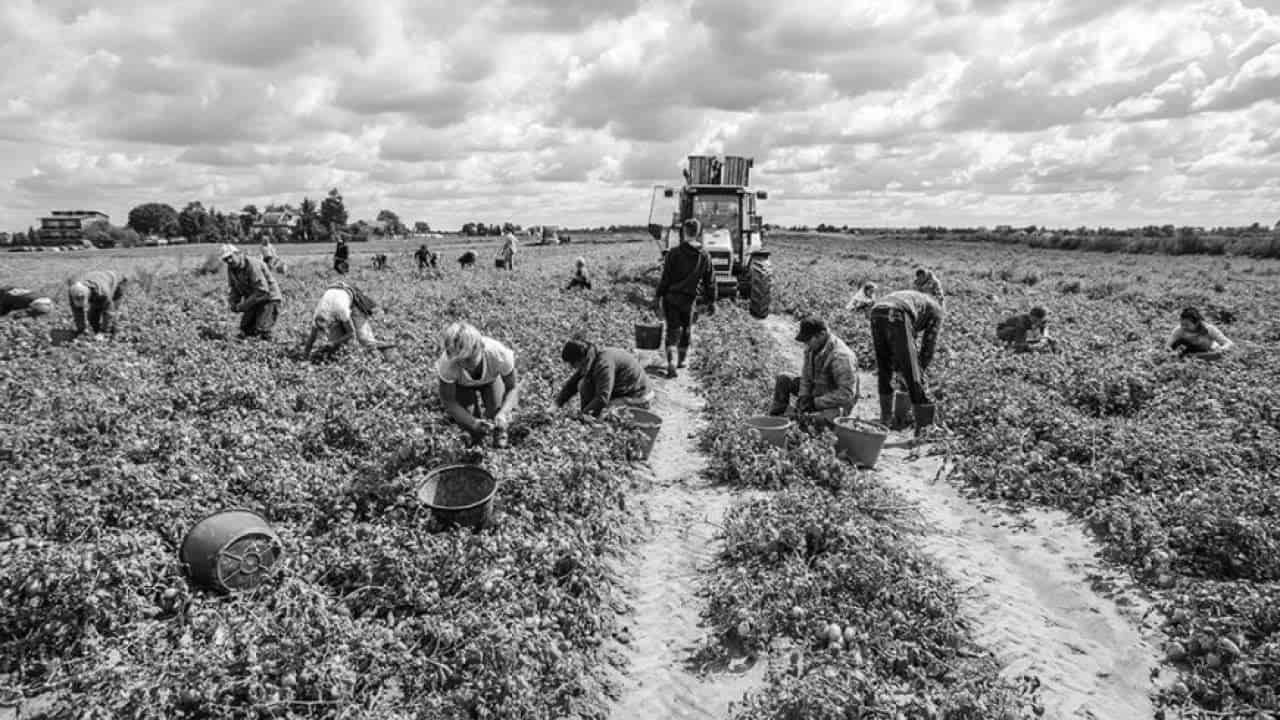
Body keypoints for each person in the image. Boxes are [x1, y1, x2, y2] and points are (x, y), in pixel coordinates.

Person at [868, 289, 945, 432]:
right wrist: (919, 372)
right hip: (897, 311)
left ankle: (885, 419)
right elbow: (928, 347)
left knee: (884, 365)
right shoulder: (937, 311)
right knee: (912, 370)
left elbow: (903, 342)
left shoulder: (919, 301)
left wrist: (901, 368)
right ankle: (925, 428)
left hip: (877, 311)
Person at [436, 322, 520, 448]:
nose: (465, 365)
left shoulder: (498, 354)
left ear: (481, 347)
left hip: (490, 381)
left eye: (469, 359)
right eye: (460, 361)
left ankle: (499, 446)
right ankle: (476, 446)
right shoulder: (448, 364)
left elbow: (512, 388)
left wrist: (503, 413)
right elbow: (449, 401)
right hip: (461, 386)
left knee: (496, 413)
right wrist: (473, 423)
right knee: (469, 424)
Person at [653, 218, 717, 378]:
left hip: (671, 298)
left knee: (672, 330)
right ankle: (681, 361)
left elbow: (665, 279)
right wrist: (711, 301)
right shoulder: (704, 255)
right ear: (698, 233)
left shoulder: (673, 253)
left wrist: (657, 297)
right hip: (689, 300)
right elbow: (710, 281)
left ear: (684, 232)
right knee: (686, 330)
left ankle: (671, 362)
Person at [769, 317, 859, 427]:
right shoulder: (812, 348)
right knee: (784, 379)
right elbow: (806, 376)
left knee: (819, 420)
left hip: (835, 402)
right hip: (816, 391)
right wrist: (804, 396)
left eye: (808, 340)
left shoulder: (841, 357)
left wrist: (815, 403)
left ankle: (803, 419)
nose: (806, 344)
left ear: (822, 334)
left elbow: (846, 395)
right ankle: (776, 418)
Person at [553, 339, 654, 418]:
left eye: (573, 365)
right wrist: (556, 405)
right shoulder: (591, 357)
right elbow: (573, 384)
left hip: (639, 396)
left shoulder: (603, 364)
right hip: (622, 391)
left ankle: (591, 420)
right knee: (583, 384)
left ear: (581, 360)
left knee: (605, 415)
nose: (574, 368)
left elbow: (602, 398)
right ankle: (589, 417)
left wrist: (582, 416)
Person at [302, 282, 381, 358]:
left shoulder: (341, 309)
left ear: (330, 321)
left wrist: (333, 344)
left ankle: (383, 352)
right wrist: (305, 358)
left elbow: (351, 333)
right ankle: (345, 353)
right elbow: (311, 340)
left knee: (363, 339)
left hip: (350, 298)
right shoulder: (317, 316)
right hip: (336, 297)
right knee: (334, 344)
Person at [222, 244, 283, 341]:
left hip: (269, 298)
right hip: (254, 299)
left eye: (230, 257)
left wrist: (243, 306)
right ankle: (248, 344)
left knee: (262, 328)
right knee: (245, 327)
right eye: (225, 259)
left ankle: (270, 345)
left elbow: (262, 291)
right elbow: (234, 288)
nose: (229, 261)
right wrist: (233, 302)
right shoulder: (231, 268)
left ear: (238, 254)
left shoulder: (252, 265)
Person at [67, 270, 127, 337]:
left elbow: (109, 312)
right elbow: (77, 310)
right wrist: (81, 329)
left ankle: (114, 332)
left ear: (88, 295)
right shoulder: (73, 292)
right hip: (100, 280)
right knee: (92, 317)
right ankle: (97, 331)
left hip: (118, 282)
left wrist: (103, 332)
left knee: (113, 312)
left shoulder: (103, 293)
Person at [1168, 307, 1234, 360]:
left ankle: (1191, 357)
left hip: (1204, 351)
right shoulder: (1179, 330)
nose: (1184, 327)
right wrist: (1171, 353)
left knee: (1217, 354)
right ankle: (1186, 357)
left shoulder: (1209, 329)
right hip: (1187, 350)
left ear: (1196, 323)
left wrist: (1222, 349)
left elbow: (1229, 343)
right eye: (1182, 324)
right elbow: (1168, 346)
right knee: (1179, 342)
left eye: (1187, 325)